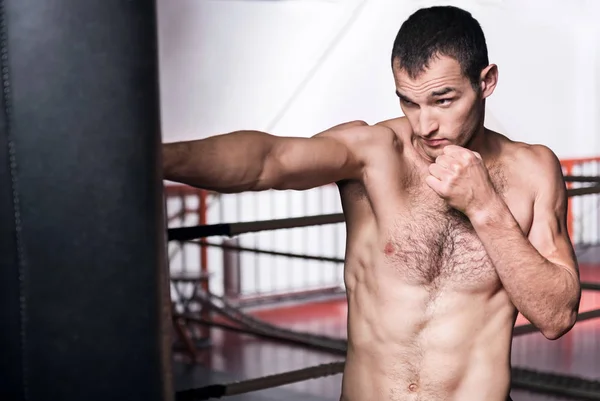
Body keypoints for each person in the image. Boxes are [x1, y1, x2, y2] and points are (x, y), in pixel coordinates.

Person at [162, 5, 581, 401]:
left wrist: (486, 206)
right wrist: (147, 158)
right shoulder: (375, 154)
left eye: (444, 100)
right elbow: (267, 161)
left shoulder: (531, 170)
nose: (425, 124)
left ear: (485, 81)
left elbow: (557, 316)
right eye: (408, 101)